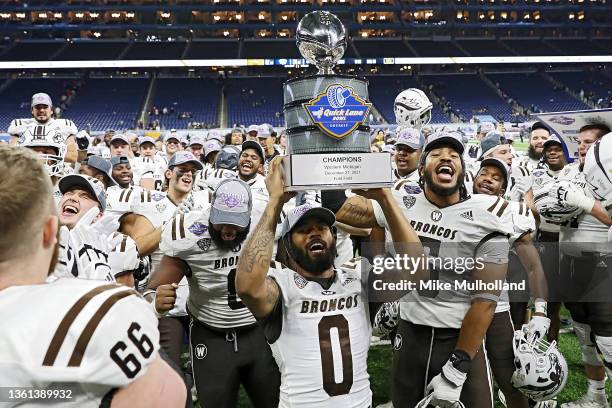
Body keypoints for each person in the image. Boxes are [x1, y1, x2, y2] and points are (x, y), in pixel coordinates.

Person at [328, 132, 514, 407]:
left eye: (453, 156)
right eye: (437, 154)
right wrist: (330, 149)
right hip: (410, 332)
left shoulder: (490, 213)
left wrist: (457, 367)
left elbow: (485, 302)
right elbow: (340, 208)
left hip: (458, 336)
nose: (446, 158)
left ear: (463, 172)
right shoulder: (402, 199)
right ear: (423, 169)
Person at [0, 145, 186, 408]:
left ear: (100, 213)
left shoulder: (116, 246)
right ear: (48, 227)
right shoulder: (108, 309)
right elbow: (168, 393)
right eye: (68, 193)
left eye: (83, 195)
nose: (72, 198)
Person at [236, 157, 425, 407]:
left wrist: (385, 199)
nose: (314, 232)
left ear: (334, 237)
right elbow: (247, 286)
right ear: (288, 247)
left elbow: (417, 271)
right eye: (303, 230)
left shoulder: (358, 276)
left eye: (321, 228)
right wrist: (275, 202)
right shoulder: (283, 285)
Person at [149, 178, 279, 408]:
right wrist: (155, 302)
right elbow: (151, 291)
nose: (228, 231)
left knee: (276, 403)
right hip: (211, 335)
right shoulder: (187, 234)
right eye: (221, 222)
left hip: (260, 334)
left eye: (237, 223)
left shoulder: (266, 219)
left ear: (250, 214)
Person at [472, 158, 552, 408]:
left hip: (497, 307)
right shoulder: (453, 204)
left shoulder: (513, 212)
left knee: (511, 379)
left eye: (496, 178)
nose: (488, 178)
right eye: (483, 173)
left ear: (503, 189)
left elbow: (533, 266)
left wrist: (540, 311)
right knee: (467, 383)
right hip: (455, 309)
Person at [120, 151, 210, 369]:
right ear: (169, 173)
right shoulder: (150, 204)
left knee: (206, 364)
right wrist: (172, 223)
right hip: (165, 300)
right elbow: (137, 249)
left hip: (198, 299)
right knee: (168, 365)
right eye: (183, 170)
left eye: (193, 171)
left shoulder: (202, 206)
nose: (189, 174)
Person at [554, 124, 612, 408]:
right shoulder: (568, 172)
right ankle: (596, 397)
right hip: (571, 263)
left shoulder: (608, 173)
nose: (581, 146)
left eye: (589, 142)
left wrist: (584, 202)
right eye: (579, 141)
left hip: (604, 264)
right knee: (584, 338)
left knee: (608, 340)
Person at [7, 92, 80, 164]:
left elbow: (72, 157)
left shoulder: (65, 125)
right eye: (38, 107)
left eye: (45, 107)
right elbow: (12, 155)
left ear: (51, 110)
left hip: (58, 170)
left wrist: (47, 159)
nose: (41, 110)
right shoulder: (20, 125)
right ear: (32, 110)